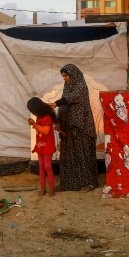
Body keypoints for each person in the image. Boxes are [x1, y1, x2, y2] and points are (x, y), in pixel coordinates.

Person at [53, 64, 98, 192]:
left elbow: (68, 99)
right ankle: (68, 184)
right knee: (68, 156)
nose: (65, 79)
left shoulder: (81, 87)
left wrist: (54, 104)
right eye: (63, 76)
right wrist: (58, 120)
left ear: (74, 75)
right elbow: (64, 103)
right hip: (68, 127)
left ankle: (88, 184)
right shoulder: (67, 87)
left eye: (66, 76)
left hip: (81, 127)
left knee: (81, 155)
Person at [27, 97, 57, 196]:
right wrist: (34, 124)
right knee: (41, 167)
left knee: (47, 166)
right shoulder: (39, 117)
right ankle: (43, 188)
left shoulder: (47, 118)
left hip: (47, 145)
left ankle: (51, 188)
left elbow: (46, 131)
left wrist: (34, 124)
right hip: (41, 145)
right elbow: (40, 131)